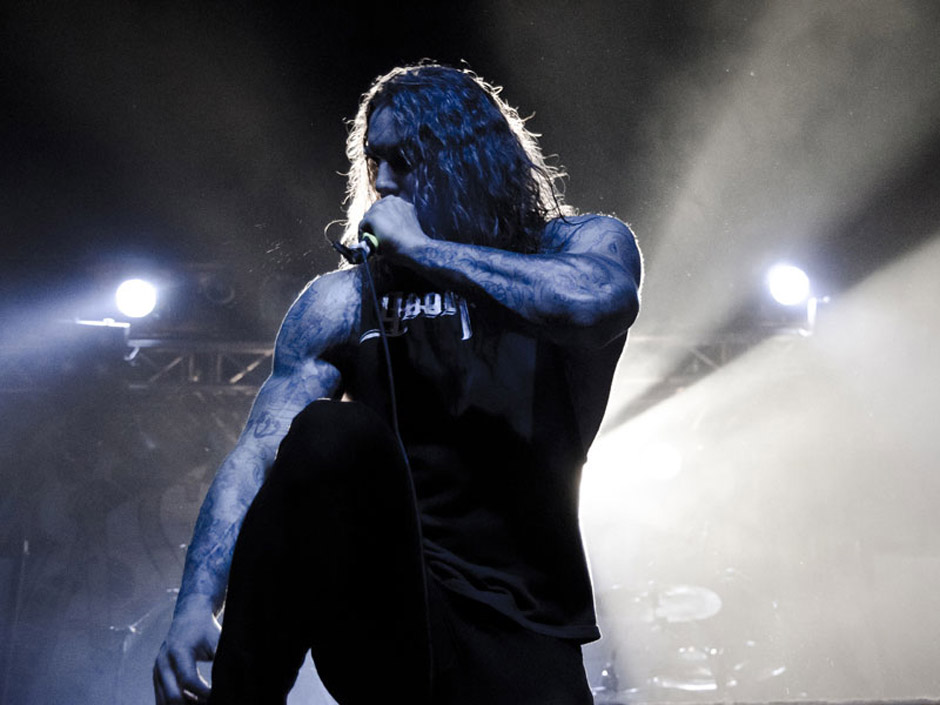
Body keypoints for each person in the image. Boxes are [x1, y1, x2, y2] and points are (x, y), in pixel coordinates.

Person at [153, 62, 642, 705]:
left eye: (404, 160)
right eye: (374, 160)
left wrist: (423, 251)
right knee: (330, 431)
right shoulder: (343, 300)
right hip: (390, 609)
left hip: (527, 624)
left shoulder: (574, 245)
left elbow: (597, 304)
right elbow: (259, 455)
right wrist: (195, 604)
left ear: (468, 158)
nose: (383, 182)